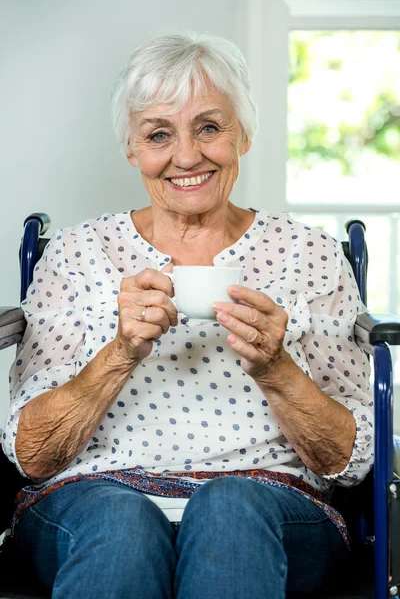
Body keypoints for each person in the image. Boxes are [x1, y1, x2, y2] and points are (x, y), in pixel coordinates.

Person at [2, 31, 373, 598]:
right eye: (158, 134)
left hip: (271, 500)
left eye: (209, 127)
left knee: (230, 508)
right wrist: (120, 352)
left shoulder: (310, 255)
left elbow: (349, 460)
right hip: (92, 496)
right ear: (132, 149)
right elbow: (32, 455)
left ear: (243, 134)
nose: (186, 156)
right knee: (121, 526)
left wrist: (276, 367)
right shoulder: (78, 254)